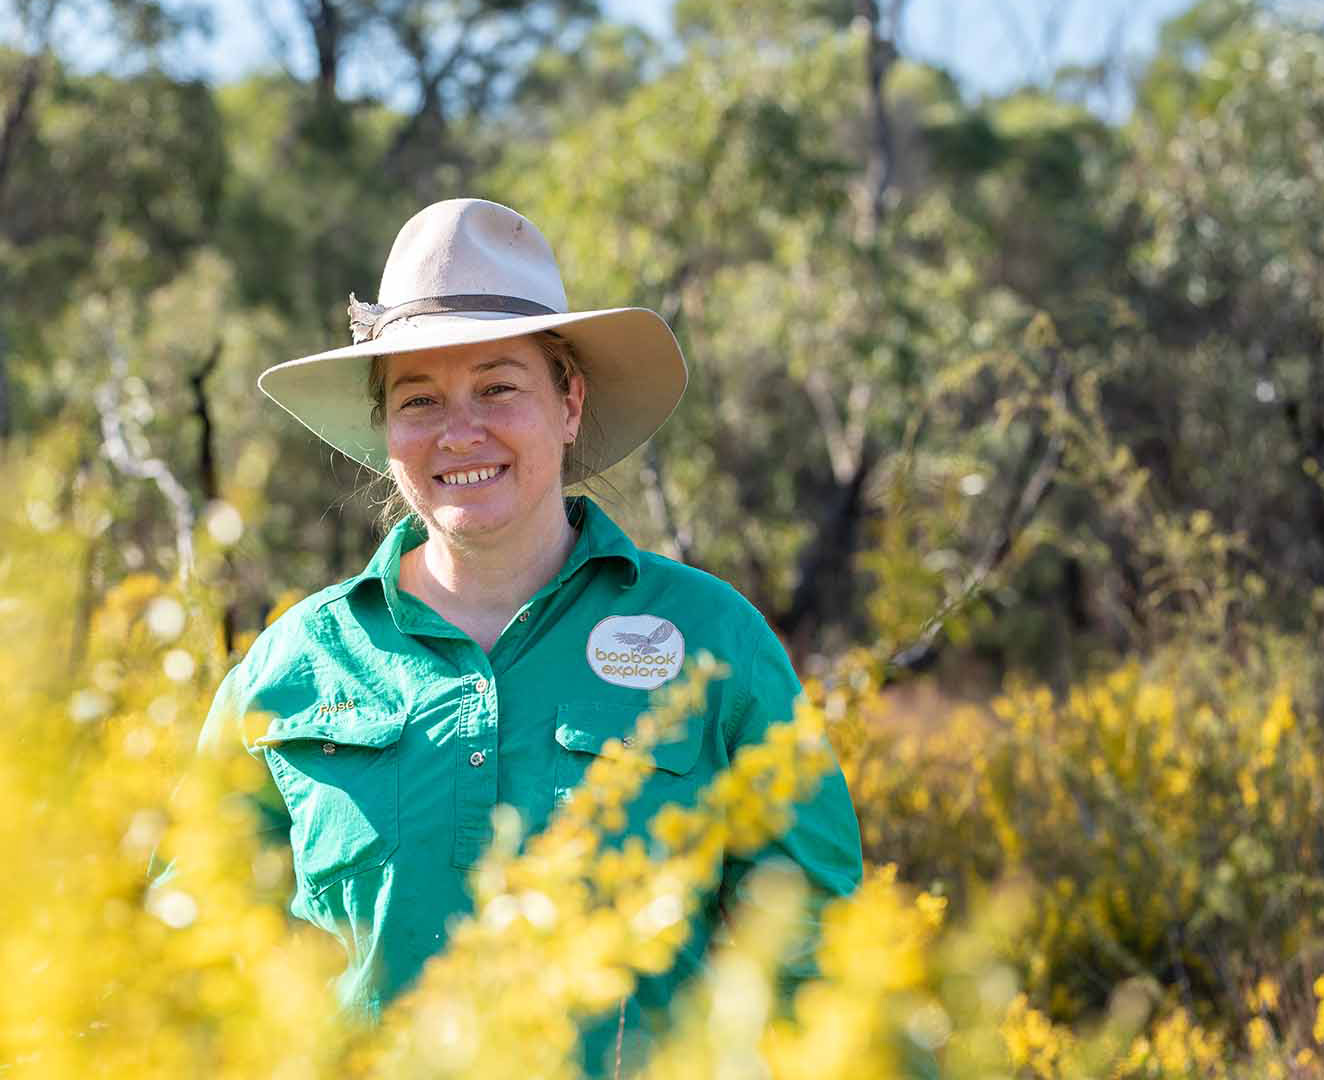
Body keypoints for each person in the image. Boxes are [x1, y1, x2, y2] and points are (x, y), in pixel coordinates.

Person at [195, 198, 862, 1075]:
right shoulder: (291, 665)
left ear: (570, 402)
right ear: (385, 430)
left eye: (499, 387)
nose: (459, 432)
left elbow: (819, 961)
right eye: (419, 398)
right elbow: (198, 958)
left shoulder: (714, 642)